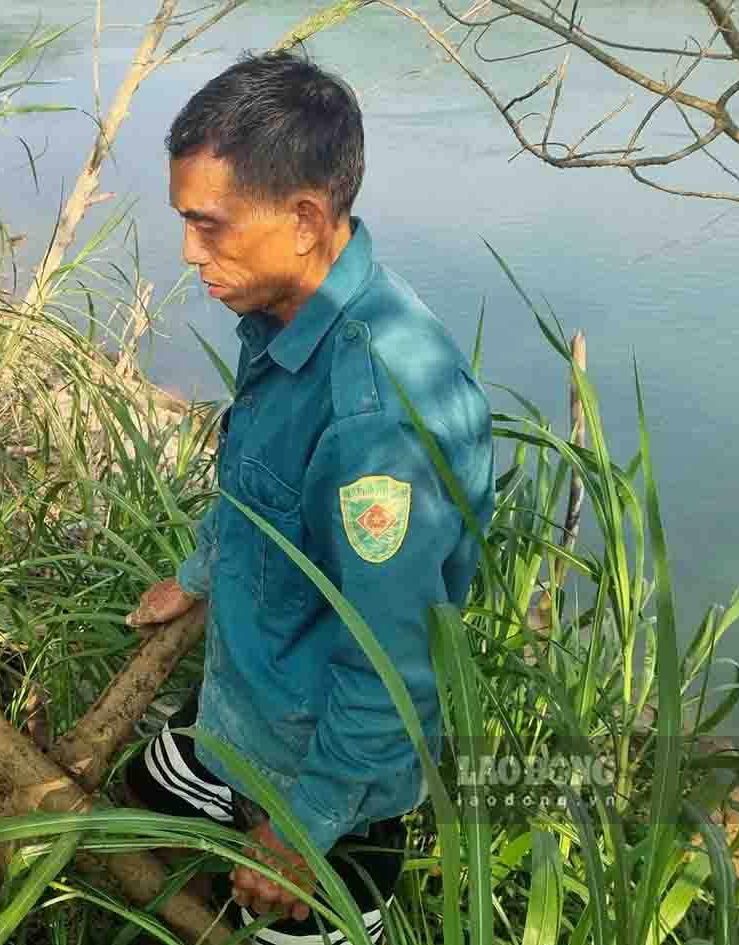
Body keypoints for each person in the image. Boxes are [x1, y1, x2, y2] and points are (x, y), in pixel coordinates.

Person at [122, 51, 495, 943]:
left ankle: (289, 870)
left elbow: (392, 668)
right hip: (248, 702)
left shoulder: (377, 422)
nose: (188, 252)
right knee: (146, 790)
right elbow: (254, 479)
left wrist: (301, 834)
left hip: (329, 778)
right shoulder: (281, 311)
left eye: (209, 226)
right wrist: (200, 570)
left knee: (298, 920)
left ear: (303, 219)